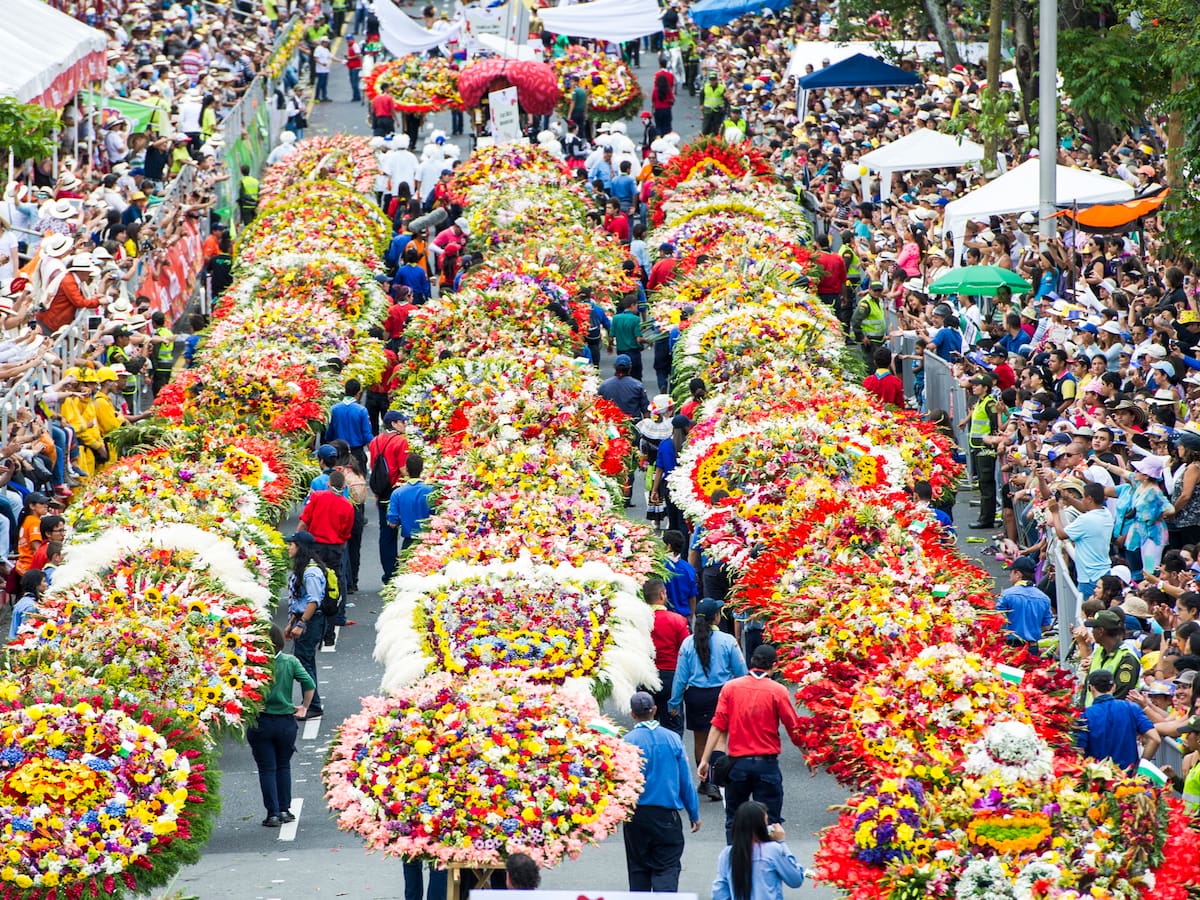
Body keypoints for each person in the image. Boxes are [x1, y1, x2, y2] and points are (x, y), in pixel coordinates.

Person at [698, 645, 805, 844]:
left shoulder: (731, 687)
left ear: (751, 661)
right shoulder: (778, 691)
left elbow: (717, 725)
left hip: (737, 765)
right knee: (770, 822)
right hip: (767, 765)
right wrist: (807, 754)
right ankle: (766, 864)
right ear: (774, 665)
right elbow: (793, 727)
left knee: (734, 820)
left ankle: (733, 863)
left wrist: (705, 760)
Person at [669, 598, 747, 802]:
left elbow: (680, 677)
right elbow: (741, 672)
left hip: (695, 696)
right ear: (716, 617)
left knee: (700, 738)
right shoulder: (728, 641)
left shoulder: (688, 642)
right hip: (721, 694)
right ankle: (717, 779)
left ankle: (705, 781)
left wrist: (674, 702)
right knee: (720, 737)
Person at [623, 691, 701, 893]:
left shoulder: (627, 741)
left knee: (638, 868)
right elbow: (685, 780)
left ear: (633, 714)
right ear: (655, 709)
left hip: (635, 815)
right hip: (666, 816)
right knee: (666, 867)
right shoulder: (673, 739)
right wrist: (694, 812)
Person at [246, 625, 316, 828]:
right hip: (286, 722)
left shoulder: (254, 665)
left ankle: (273, 813)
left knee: (267, 768)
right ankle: (285, 809)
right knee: (283, 765)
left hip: (261, 721)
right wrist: (303, 707)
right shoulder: (290, 661)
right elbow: (309, 684)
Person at [711, 801, 805, 900]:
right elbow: (795, 879)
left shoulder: (727, 853)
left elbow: (719, 892)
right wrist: (781, 842)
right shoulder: (773, 850)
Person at [1075, 669, 1160, 771]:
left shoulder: (1085, 715)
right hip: (1128, 781)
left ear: (1091, 688)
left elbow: (1079, 750)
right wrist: (1140, 767)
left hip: (1097, 780)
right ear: (1114, 687)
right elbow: (1155, 739)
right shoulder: (1131, 708)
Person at [282, 533, 327, 720]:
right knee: (306, 661)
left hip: (311, 621)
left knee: (304, 663)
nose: (288, 548)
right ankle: (311, 703)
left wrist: (301, 624)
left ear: (300, 547)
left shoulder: (311, 572)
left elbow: (313, 602)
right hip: (303, 619)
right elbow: (298, 599)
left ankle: (312, 705)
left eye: (291, 545)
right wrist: (291, 622)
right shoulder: (302, 570)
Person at [1048, 482, 1115, 600]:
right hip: (1103, 571)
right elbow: (1085, 509)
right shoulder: (1106, 513)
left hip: (1089, 576)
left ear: (1089, 499)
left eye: (1083, 497)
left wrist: (1054, 513)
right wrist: (1068, 498)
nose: (1082, 500)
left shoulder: (1086, 520)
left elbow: (1062, 534)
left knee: (1086, 612)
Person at [645, 577, 689, 735]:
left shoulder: (639, 621)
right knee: (673, 727)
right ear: (662, 595)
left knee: (647, 726)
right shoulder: (678, 620)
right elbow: (686, 652)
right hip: (672, 679)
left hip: (646, 677)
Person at [1079, 608, 1141, 707]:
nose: (1092, 632)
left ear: (1100, 631)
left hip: (1111, 718)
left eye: (1094, 628)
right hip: (1091, 716)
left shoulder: (1127, 658)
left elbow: (1121, 695)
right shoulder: (1099, 652)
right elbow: (1088, 686)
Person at [966, 374, 1002, 529]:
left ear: (985, 388)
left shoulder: (990, 403)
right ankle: (985, 516)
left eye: (977, 385)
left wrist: (992, 444)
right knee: (983, 483)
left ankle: (986, 519)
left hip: (985, 449)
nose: (973, 387)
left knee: (986, 484)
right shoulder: (981, 402)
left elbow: (995, 427)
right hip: (978, 447)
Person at [997, 557, 1052, 654]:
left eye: (1011, 572)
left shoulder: (1007, 594)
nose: (1010, 575)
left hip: (1010, 647)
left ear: (1018, 574)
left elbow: (997, 619)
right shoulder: (1044, 598)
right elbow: (1046, 627)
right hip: (1033, 648)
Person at [386, 452, 433, 555]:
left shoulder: (397, 493)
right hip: (429, 541)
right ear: (422, 469)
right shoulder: (431, 491)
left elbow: (392, 523)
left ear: (406, 469)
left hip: (409, 541)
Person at [324, 379, 374, 469]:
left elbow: (329, 434)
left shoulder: (334, 409)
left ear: (345, 391)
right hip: (356, 452)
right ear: (358, 393)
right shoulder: (361, 410)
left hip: (338, 452)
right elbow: (367, 435)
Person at [8, 569, 45, 640]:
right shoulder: (31, 607)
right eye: (44, 581)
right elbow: (26, 632)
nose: (46, 584)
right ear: (36, 585)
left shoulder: (23, 600)